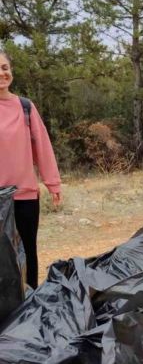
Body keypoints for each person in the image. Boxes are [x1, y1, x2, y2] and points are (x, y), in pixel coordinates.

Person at [0, 50, 62, 289]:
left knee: (27, 252)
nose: (2, 73)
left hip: (25, 196)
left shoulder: (25, 107)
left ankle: (31, 302)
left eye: (5, 67)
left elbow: (42, 146)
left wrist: (52, 183)